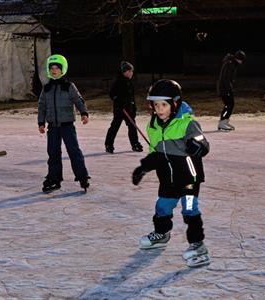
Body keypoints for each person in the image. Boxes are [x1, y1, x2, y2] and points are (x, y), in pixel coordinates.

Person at [131, 79, 210, 268]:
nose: (159, 109)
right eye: (155, 105)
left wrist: (197, 146)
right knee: (162, 208)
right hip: (167, 179)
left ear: (174, 104)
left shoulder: (187, 124)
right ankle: (161, 234)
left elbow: (203, 143)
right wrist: (143, 167)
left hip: (189, 180)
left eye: (164, 105)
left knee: (190, 210)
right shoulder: (154, 126)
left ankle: (197, 245)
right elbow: (155, 153)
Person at [38, 54, 90, 192]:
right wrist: (41, 122)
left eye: (57, 68)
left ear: (63, 69)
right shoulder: (46, 88)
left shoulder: (69, 86)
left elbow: (79, 100)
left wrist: (83, 113)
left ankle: (82, 176)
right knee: (53, 153)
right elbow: (42, 106)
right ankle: (54, 179)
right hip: (53, 127)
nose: (54, 70)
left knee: (74, 151)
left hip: (67, 125)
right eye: (52, 68)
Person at [104, 61, 143, 153]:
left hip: (129, 109)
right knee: (115, 126)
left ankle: (135, 144)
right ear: (124, 72)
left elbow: (131, 97)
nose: (131, 73)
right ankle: (109, 144)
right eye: (128, 71)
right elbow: (112, 94)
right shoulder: (118, 81)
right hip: (120, 110)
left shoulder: (130, 83)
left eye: (132, 71)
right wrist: (118, 102)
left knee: (132, 127)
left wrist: (134, 107)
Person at [217, 50, 246, 131]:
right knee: (228, 105)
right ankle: (222, 122)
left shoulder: (232, 63)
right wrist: (229, 89)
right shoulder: (230, 64)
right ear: (238, 58)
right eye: (241, 59)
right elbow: (226, 78)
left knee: (230, 104)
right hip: (224, 88)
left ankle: (224, 121)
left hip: (226, 88)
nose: (241, 62)